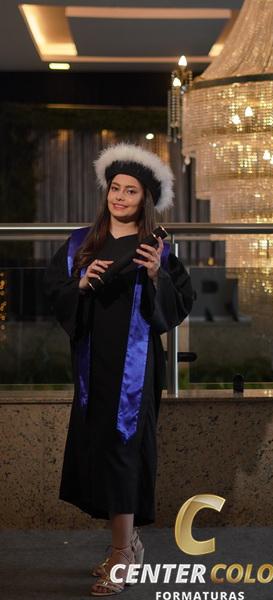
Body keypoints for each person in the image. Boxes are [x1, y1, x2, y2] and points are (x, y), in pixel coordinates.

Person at [44, 142, 194, 596]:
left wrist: (156, 277)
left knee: (124, 449)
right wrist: (81, 284)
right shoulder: (79, 243)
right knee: (101, 449)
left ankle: (122, 554)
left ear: (145, 198)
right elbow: (55, 293)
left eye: (131, 190)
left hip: (135, 368)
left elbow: (179, 304)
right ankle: (127, 544)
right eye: (115, 188)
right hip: (93, 366)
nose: (120, 197)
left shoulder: (156, 248)